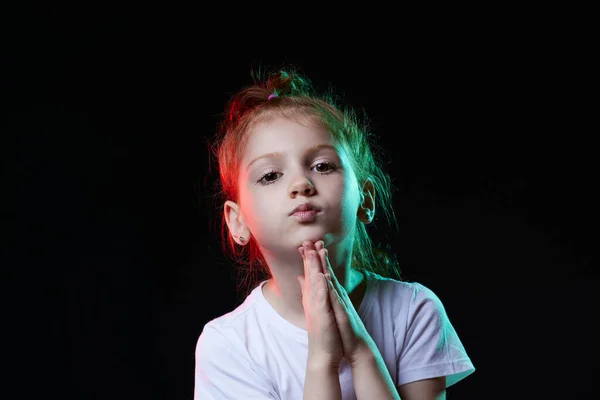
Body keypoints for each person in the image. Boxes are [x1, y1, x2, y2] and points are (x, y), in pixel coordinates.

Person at [194, 67, 475, 399]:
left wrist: (360, 351)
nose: (301, 184)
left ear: (366, 199)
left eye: (322, 166)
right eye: (270, 175)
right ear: (237, 221)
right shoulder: (230, 344)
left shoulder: (414, 310)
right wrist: (322, 361)